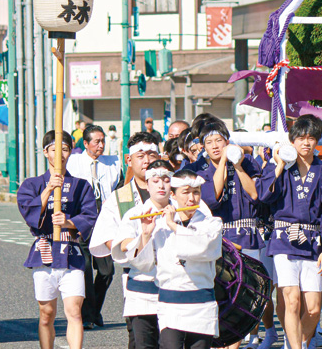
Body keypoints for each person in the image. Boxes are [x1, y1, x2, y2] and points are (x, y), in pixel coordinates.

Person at [258, 114, 322, 349]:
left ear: (317, 141)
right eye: (301, 138)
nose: (306, 143)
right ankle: (295, 347)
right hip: (284, 239)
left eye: (311, 138)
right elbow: (263, 196)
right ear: (292, 141)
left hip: (313, 242)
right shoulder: (282, 169)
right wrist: (279, 164)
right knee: (292, 301)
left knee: (314, 308)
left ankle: (300, 341)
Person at [17, 130, 98, 349]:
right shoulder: (32, 184)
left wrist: (69, 222)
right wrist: (49, 189)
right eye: (55, 149)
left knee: (74, 310)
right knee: (46, 313)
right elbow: (28, 212)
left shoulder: (81, 185)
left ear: (71, 152)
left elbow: (90, 216)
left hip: (71, 253)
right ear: (46, 152)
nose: (60, 154)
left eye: (65, 149)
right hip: (44, 252)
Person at [196, 118, 272, 349]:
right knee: (221, 291)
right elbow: (212, 196)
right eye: (210, 142)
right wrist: (221, 165)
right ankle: (221, 341)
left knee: (248, 291)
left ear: (228, 141)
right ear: (204, 147)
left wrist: (237, 165)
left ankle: (243, 339)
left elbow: (256, 195)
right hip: (220, 238)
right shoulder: (201, 169)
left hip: (247, 234)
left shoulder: (247, 161)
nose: (215, 146)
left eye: (219, 140)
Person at [126, 170, 224, 349]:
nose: (192, 198)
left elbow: (203, 248)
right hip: (170, 305)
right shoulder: (160, 225)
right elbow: (143, 265)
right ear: (173, 195)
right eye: (185, 192)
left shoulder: (212, 223)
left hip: (201, 305)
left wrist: (174, 226)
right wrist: (146, 235)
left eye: (196, 192)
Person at [89, 132, 160, 347]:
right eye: (140, 155)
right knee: (139, 339)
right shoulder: (119, 198)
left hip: (174, 277)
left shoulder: (175, 191)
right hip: (137, 276)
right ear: (129, 160)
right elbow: (108, 239)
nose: (147, 160)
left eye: (151, 154)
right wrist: (135, 246)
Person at [110, 159, 175, 349]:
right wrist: (145, 235)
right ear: (147, 184)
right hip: (142, 291)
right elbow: (122, 245)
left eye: (166, 179)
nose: (161, 185)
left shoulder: (183, 212)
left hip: (175, 290)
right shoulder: (135, 212)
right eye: (155, 180)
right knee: (144, 345)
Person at [66, 124, 123, 330]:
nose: (101, 145)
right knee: (86, 271)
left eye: (103, 141)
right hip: (82, 220)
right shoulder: (74, 162)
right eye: (97, 141)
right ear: (86, 143)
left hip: (105, 220)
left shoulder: (113, 163)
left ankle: (94, 309)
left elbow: (119, 189)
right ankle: (88, 316)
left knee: (107, 270)